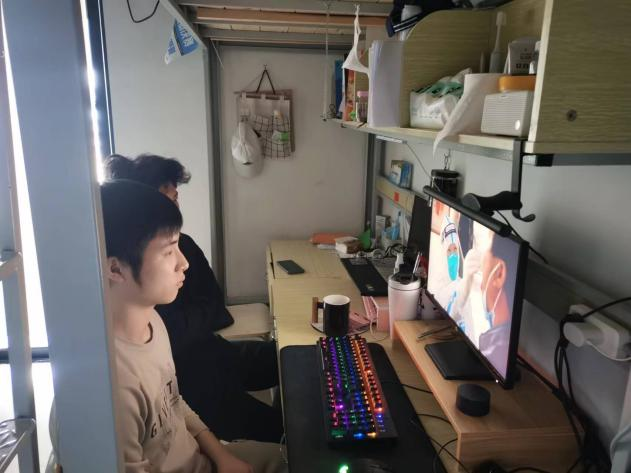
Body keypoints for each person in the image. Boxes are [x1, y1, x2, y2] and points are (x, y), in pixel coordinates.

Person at [100, 180, 285, 472]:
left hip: (206, 457)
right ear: (115, 268)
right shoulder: (113, 389)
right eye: (168, 251)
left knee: (300, 451)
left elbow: (175, 403)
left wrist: (221, 457)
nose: (183, 262)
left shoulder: (153, 324)